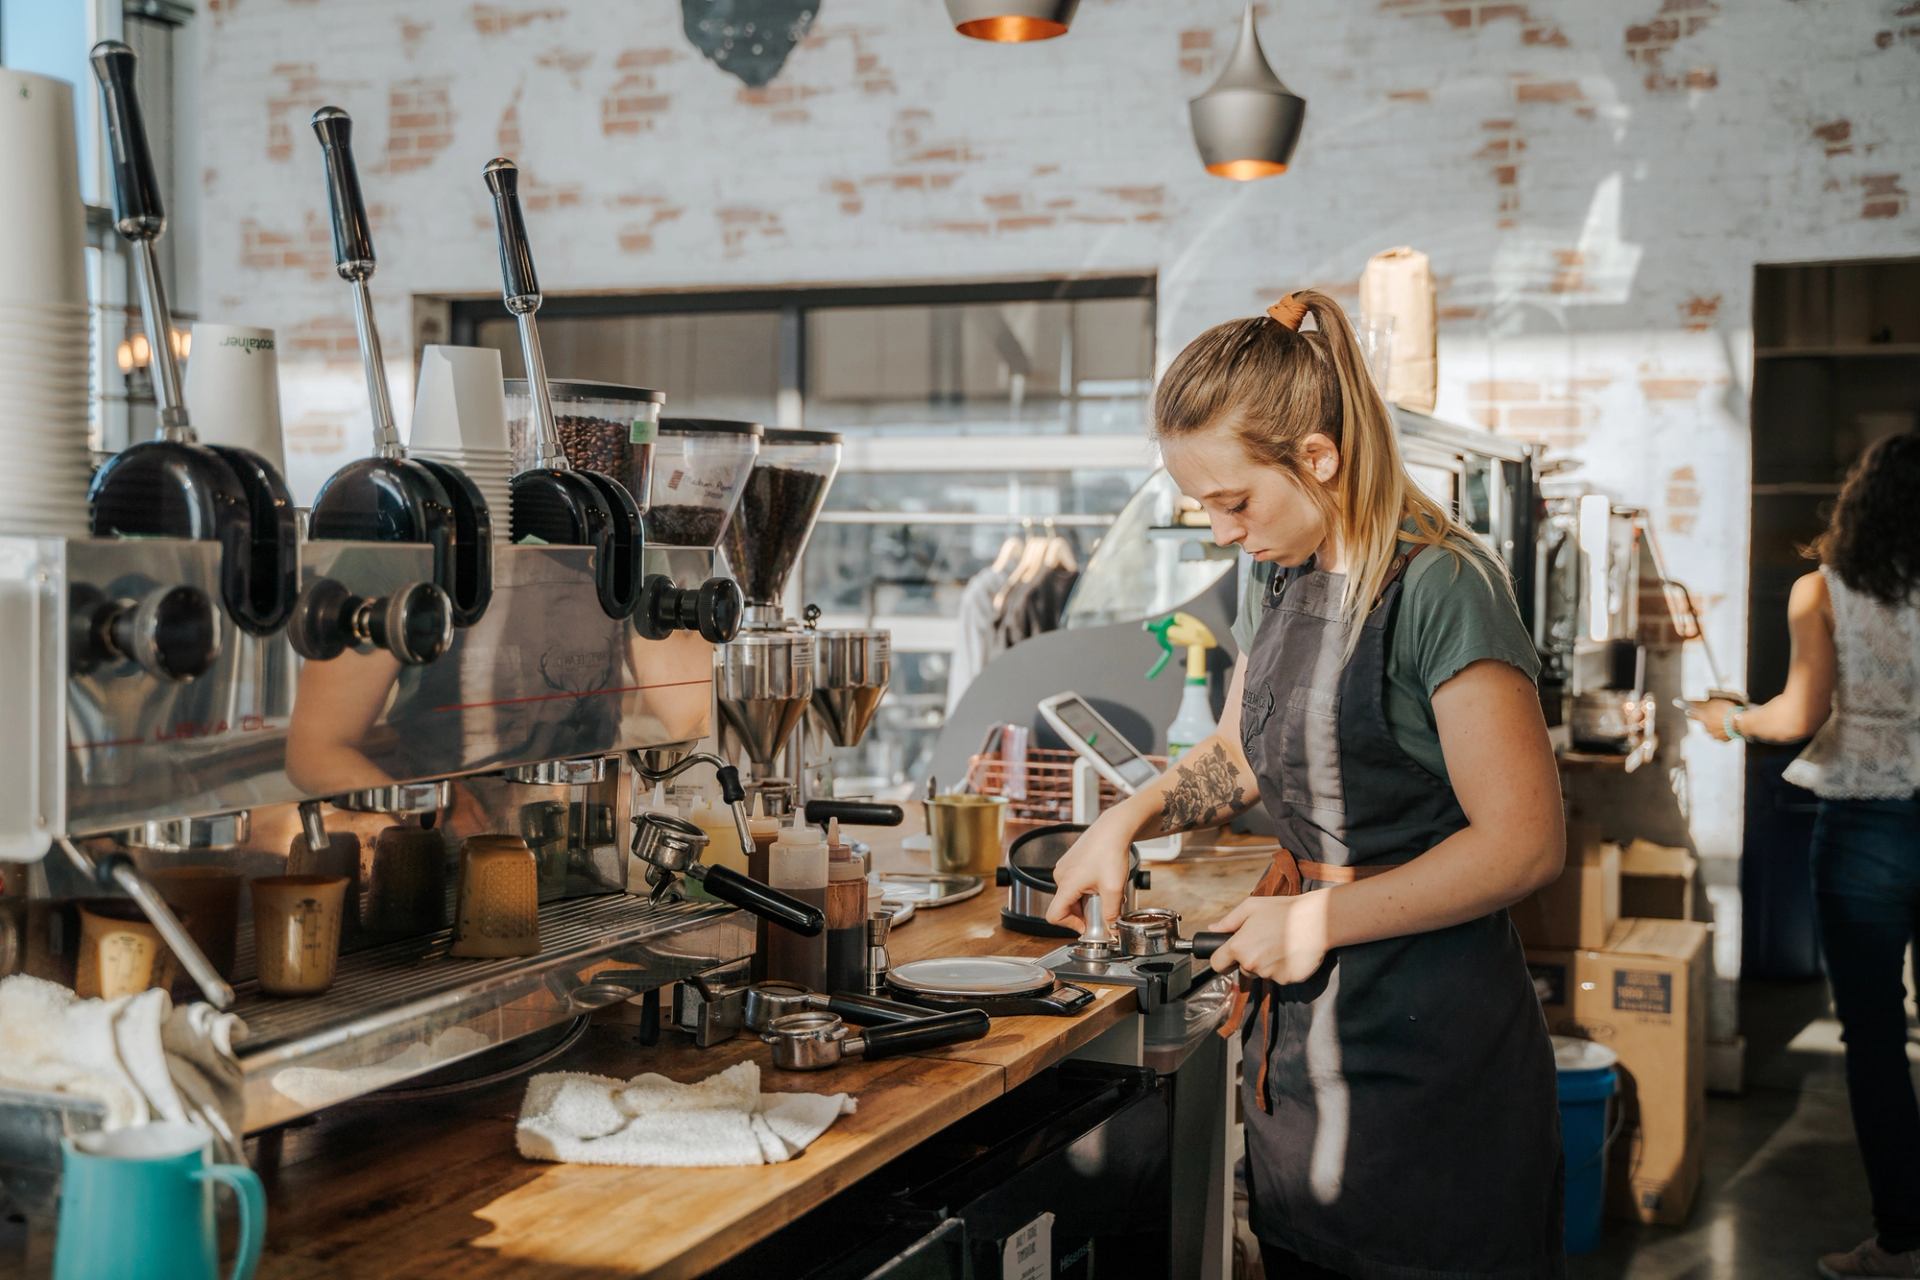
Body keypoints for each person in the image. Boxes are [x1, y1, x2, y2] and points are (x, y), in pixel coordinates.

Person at [1047, 291, 1567, 1278]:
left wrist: (1318, 922)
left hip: (1430, 1063)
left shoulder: (1445, 586)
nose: (1222, 529)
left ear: (1320, 458)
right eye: (1201, 504)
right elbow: (1244, 751)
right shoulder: (1283, 577)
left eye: (1235, 501)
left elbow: (1524, 842)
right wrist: (1131, 811)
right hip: (1306, 1060)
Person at [1687, 432, 1920, 1280]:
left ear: (1862, 501)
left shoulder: (1823, 590)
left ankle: (1901, 1244)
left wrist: (1729, 721)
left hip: (1867, 828)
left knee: (1875, 1039)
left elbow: (1796, 716)